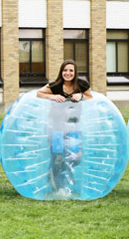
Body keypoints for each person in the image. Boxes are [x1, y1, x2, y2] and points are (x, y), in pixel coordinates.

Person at [36, 60, 92, 196]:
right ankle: (59, 186)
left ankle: (58, 177)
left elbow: (90, 97)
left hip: (73, 128)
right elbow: (39, 93)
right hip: (56, 129)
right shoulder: (55, 86)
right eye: (65, 70)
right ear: (61, 72)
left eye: (71, 70)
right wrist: (53, 96)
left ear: (75, 72)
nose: (68, 73)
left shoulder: (82, 85)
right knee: (57, 157)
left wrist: (81, 95)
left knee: (75, 157)